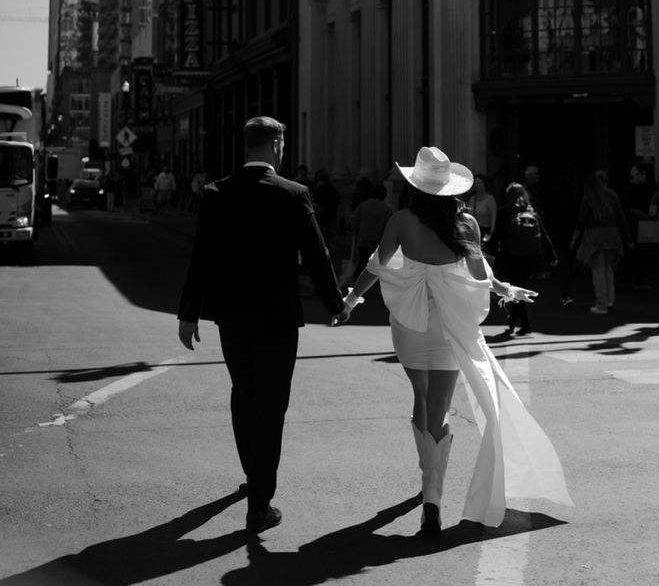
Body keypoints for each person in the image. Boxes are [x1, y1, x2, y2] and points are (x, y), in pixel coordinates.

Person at [336, 146, 571, 532]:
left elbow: (375, 266)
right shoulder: (467, 225)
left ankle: (426, 476)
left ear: (416, 186)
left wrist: (349, 301)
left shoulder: (401, 220)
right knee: (440, 405)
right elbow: (481, 274)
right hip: (449, 323)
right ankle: (433, 494)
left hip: (411, 322)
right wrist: (507, 290)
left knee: (421, 397)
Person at [177, 117, 347, 534]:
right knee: (271, 405)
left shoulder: (217, 193)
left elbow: (202, 256)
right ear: (275, 145)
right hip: (277, 317)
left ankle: (254, 473)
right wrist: (336, 304)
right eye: (283, 143)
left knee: (243, 393)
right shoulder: (294, 194)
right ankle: (259, 504)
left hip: (232, 315)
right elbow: (318, 255)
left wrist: (188, 312)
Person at [490, 182, 557, 336]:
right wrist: (552, 255)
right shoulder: (531, 212)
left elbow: (497, 236)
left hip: (511, 257)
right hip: (530, 257)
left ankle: (524, 324)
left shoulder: (504, 212)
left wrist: (488, 247)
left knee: (516, 289)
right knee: (520, 287)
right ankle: (513, 321)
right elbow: (544, 236)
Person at [573, 172, 632, 314]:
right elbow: (621, 216)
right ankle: (610, 300)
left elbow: (580, 221)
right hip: (612, 233)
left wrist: (574, 239)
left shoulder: (588, 198)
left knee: (598, 269)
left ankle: (601, 304)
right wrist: (628, 238)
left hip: (595, 234)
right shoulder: (612, 195)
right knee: (608, 267)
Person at [352, 182, 392, 274]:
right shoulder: (386, 209)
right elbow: (388, 227)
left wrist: (356, 234)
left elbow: (355, 220)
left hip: (363, 240)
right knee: (373, 266)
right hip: (377, 242)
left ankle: (357, 283)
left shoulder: (363, 205)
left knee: (362, 262)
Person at [466, 173, 497, 249]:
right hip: (473, 231)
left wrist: (491, 232)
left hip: (485, 231)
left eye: (480, 183)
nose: (478, 185)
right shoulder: (472, 198)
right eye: (476, 183)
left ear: (484, 184)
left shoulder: (490, 199)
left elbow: (493, 217)